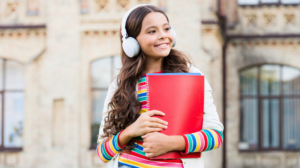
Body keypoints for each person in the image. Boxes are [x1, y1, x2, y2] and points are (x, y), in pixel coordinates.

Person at [96, 4, 224, 168]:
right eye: (152, 31)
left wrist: (172, 143)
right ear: (132, 42)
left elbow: (215, 136)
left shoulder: (191, 75)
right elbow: (102, 153)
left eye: (166, 28)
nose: (163, 36)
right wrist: (130, 131)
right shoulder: (120, 85)